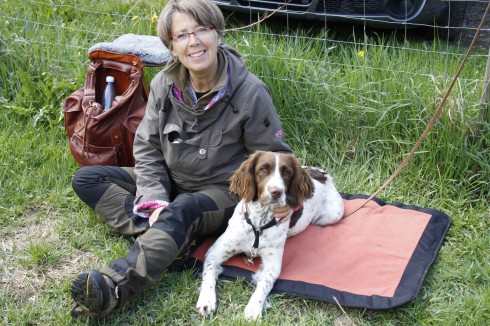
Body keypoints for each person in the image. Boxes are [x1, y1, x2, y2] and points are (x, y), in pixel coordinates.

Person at [69, 0, 292, 319]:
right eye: (182, 35)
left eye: (202, 30)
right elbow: (147, 147)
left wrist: (288, 198)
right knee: (87, 179)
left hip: (220, 191)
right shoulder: (163, 85)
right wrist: (155, 201)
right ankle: (173, 239)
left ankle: (114, 286)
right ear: (171, 47)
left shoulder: (250, 93)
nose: (194, 41)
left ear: (218, 35)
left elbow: (277, 156)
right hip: (172, 181)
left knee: (184, 208)